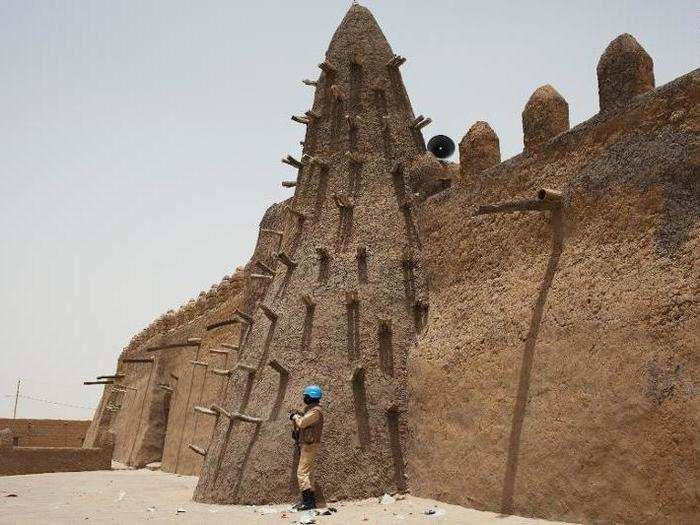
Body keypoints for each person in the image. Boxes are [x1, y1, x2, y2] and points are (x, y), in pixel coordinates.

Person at [290, 384, 324, 510]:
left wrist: (295, 416)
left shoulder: (315, 411)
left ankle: (308, 503)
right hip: (308, 444)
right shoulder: (312, 410)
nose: (304, 398)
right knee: (308, 473)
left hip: (310, 445)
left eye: (306, 396)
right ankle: (310, 501)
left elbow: (303, 423)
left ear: (311, 397)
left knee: (302, 472)